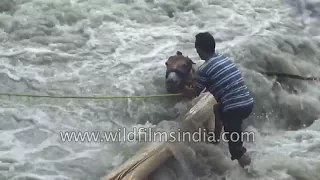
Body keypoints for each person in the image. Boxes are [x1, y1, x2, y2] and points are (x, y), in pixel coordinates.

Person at [182, 32, 254, 168]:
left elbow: (194, 93)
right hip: (247, 102)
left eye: (197, 50)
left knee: (236, 149)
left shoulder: (204, 69)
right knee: (218, 108)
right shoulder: (224, 59)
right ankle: (215, 139)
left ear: (199, 50)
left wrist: (181, 88)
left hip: (234, 109)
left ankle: (252, 173)